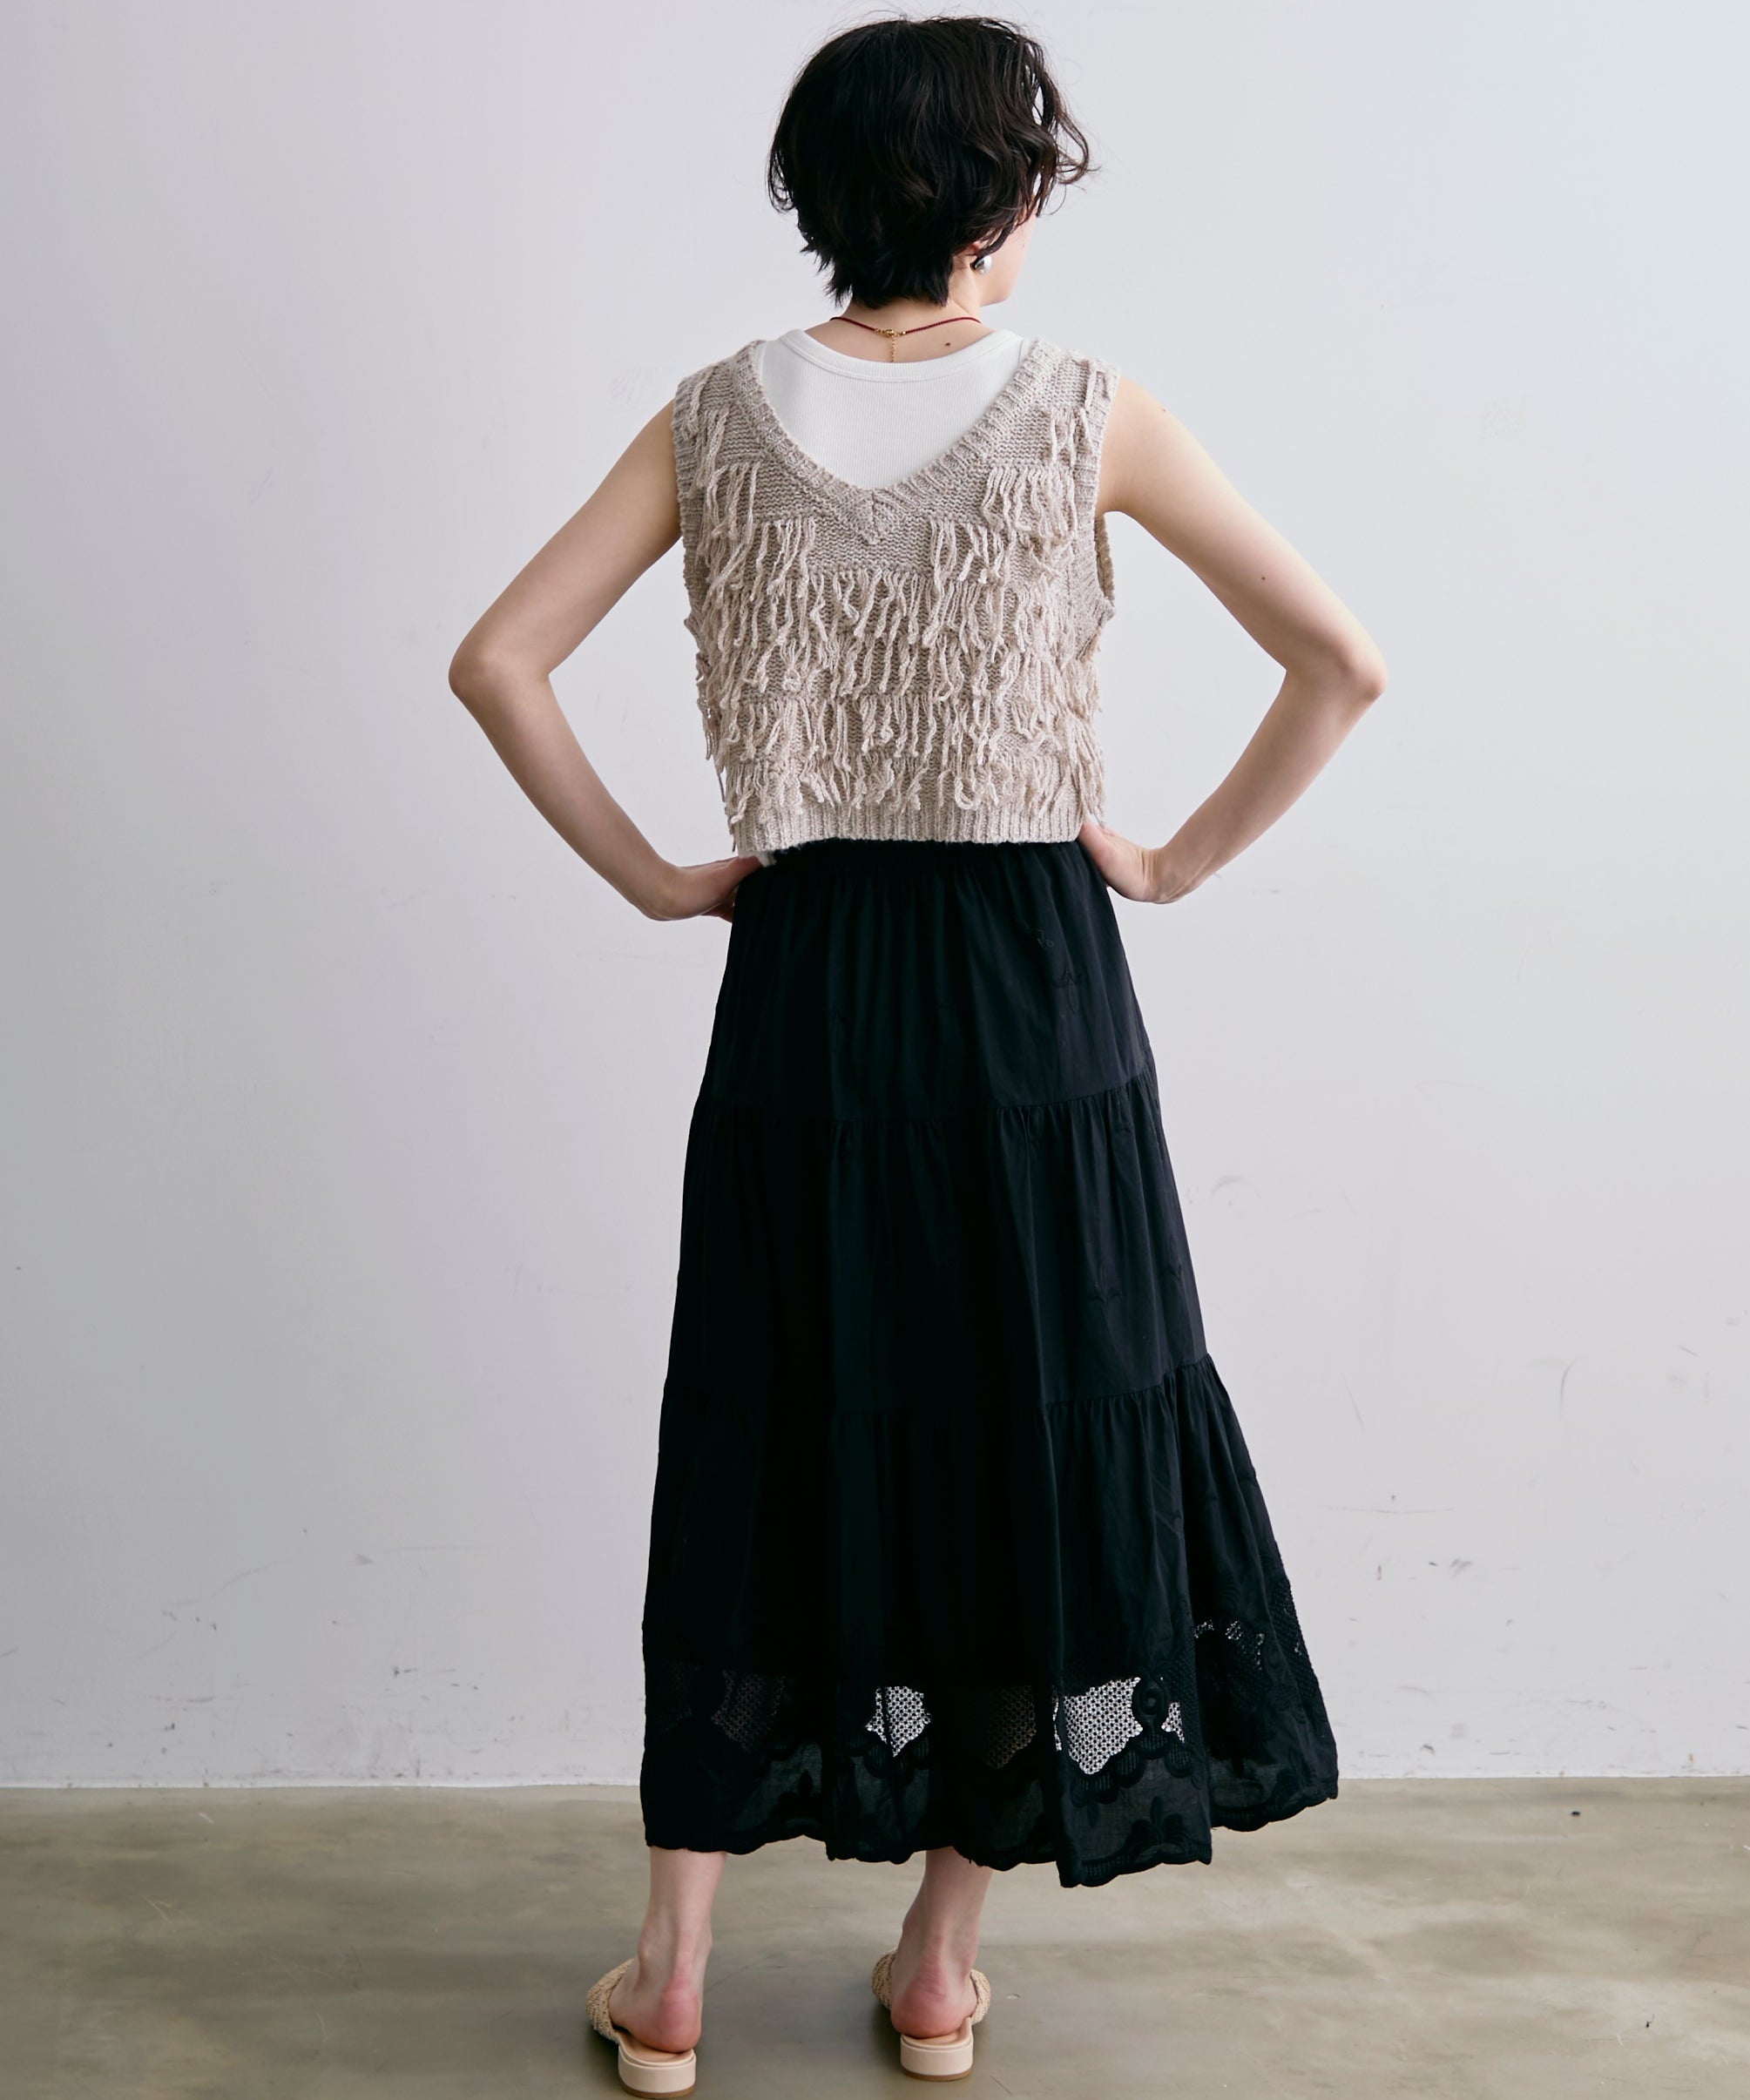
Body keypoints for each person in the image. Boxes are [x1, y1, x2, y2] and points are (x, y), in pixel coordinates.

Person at [449, 15, 1386, 2092]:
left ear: (823, 194)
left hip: (806, 980)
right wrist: (1170, 863)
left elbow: (497, 660)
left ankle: (673, 1974)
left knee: (776, 1417)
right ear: (1004, 195)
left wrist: (656, 879)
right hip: (1034, 980)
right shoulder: (1088, 411)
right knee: (1023, 1430)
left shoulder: (713, 416)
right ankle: (940, 1968)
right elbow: (1344, 660)